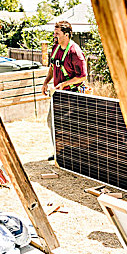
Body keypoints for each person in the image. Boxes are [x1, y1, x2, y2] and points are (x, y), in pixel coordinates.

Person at [41, 21, 87, 160]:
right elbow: (52, 67)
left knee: (70, 126)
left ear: (66, 35)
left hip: (72, 94)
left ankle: (73, 155)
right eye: (54, 33)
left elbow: (83, 76)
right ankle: (58, 153)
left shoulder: (75, 52)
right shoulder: (55, 48)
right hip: (58, 93)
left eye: (57, 33)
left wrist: (65, 83)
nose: (54, 36)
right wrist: (45, 82)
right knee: (52, 121)